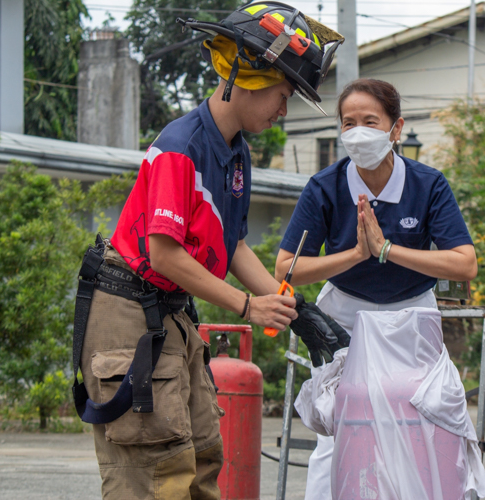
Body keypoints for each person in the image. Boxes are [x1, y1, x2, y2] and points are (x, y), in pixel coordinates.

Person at [70, 3, 349, 499]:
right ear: (249, 76)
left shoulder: (235, 149)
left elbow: (232, 242)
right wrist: (247, 306)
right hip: (130, 309)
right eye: (283, 96)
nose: (283, 111)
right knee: (156, 470)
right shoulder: (181, 148)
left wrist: (297, 312)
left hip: (169, 312)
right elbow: (165, 255)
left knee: (200, 457)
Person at [275, 78, 477, 499]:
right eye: (348, 123)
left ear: (396, 129)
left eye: (371, 121)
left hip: (412, 319)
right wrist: (354, 255)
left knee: (422, 422)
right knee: (339, 429)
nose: (358, 132)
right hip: (344, 319)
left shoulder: (428, 184)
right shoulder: (325, 187)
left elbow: (464, 262)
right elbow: (286, 269)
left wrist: (387, 250)